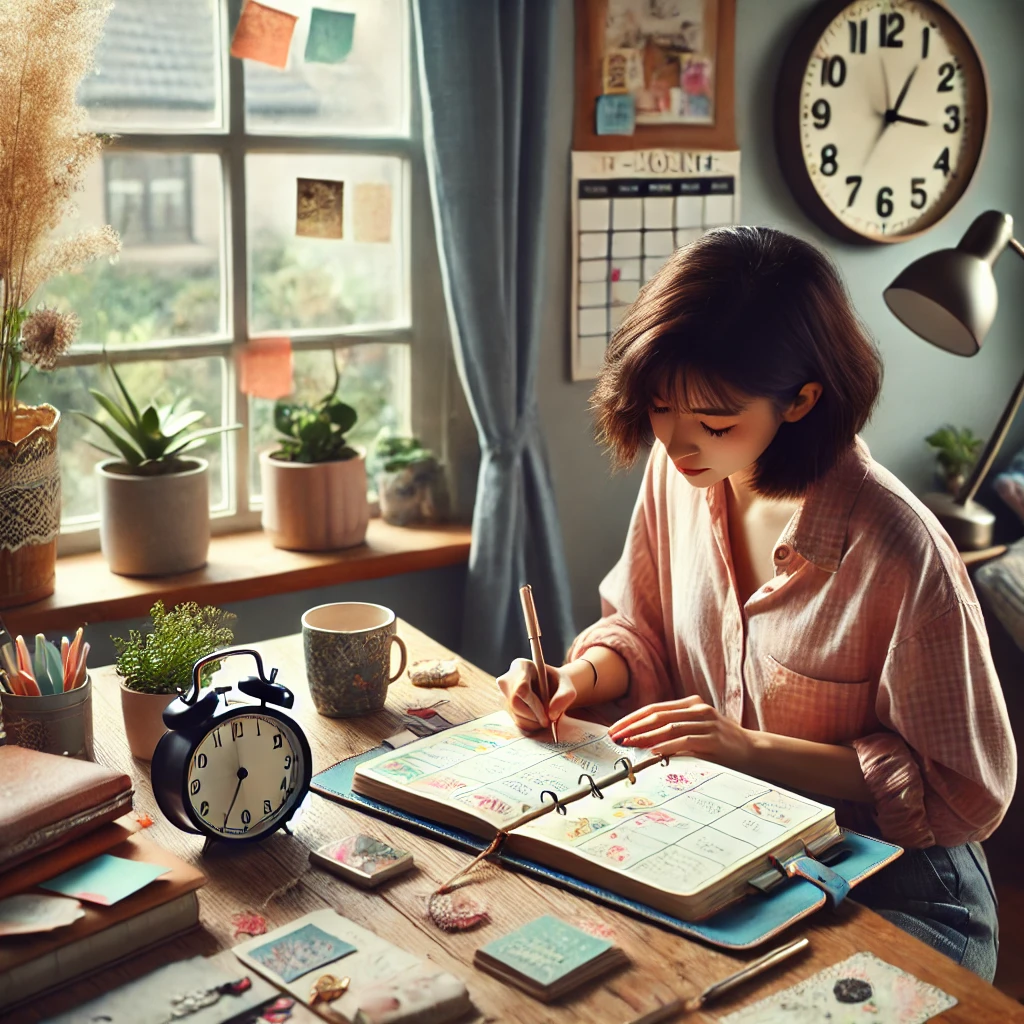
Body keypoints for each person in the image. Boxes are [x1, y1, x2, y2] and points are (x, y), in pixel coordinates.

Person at [497, 226, 1016, 981]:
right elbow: (637, 628)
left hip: (901, 886)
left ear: (801, 400)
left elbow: (963, 791)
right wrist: (576, 680)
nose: (675, 444)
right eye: (660, 409)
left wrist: (744, 747)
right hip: (735, 845)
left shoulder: (899, 550)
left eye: (715, 422)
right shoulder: (685, 475)